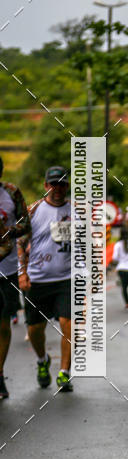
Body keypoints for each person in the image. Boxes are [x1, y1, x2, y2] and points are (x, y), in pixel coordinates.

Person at [17, 166, 73, 392]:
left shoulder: (77, 211)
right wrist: (22, 272)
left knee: (69, 325)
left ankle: (64, 373)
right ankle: (42, 361)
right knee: (34, 331)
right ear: (45, 186)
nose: (57, 188)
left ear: (67, 186)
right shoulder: (33, 210)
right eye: (53, 183)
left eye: (62, 183)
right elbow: (19, 243)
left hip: (68, 279)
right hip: (37, 280)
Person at [0, 156, 30, 399]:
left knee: (3, 324)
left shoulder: (11, 192)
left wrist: (7, 230)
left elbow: (25, 223)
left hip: (6, 268)